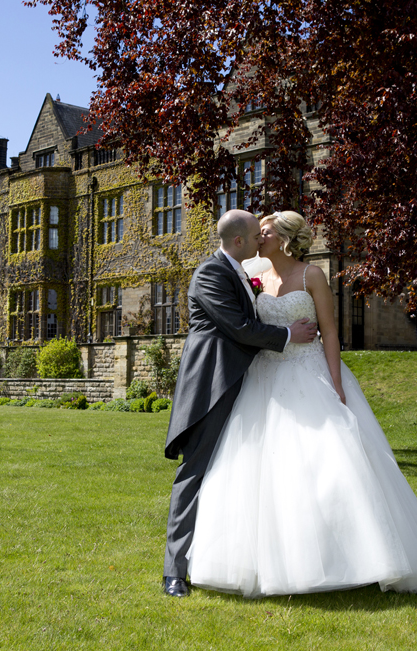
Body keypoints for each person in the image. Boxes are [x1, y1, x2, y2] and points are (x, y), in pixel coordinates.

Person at [187, 211, 417, 598]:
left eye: (264, 233)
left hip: (307, 374)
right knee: (262, 469)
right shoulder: (254, 276)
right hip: (264, 379)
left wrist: (335, 383)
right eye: (256, 234)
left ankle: (352, 555)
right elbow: (247, 327)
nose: (258, 238)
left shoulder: (312, 276)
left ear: (282, 238)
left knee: (326, 469)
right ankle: (270, 559)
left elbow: (330, 331)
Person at [162, 209, 318, 597]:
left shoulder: (242, 273)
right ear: (239, 243)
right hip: (213, 386)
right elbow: (239, 328)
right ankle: (174, 573)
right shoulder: (210, 273)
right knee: (195, 473)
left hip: (246, 383)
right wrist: (287, 334)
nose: (261, 241)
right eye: (255, 236)